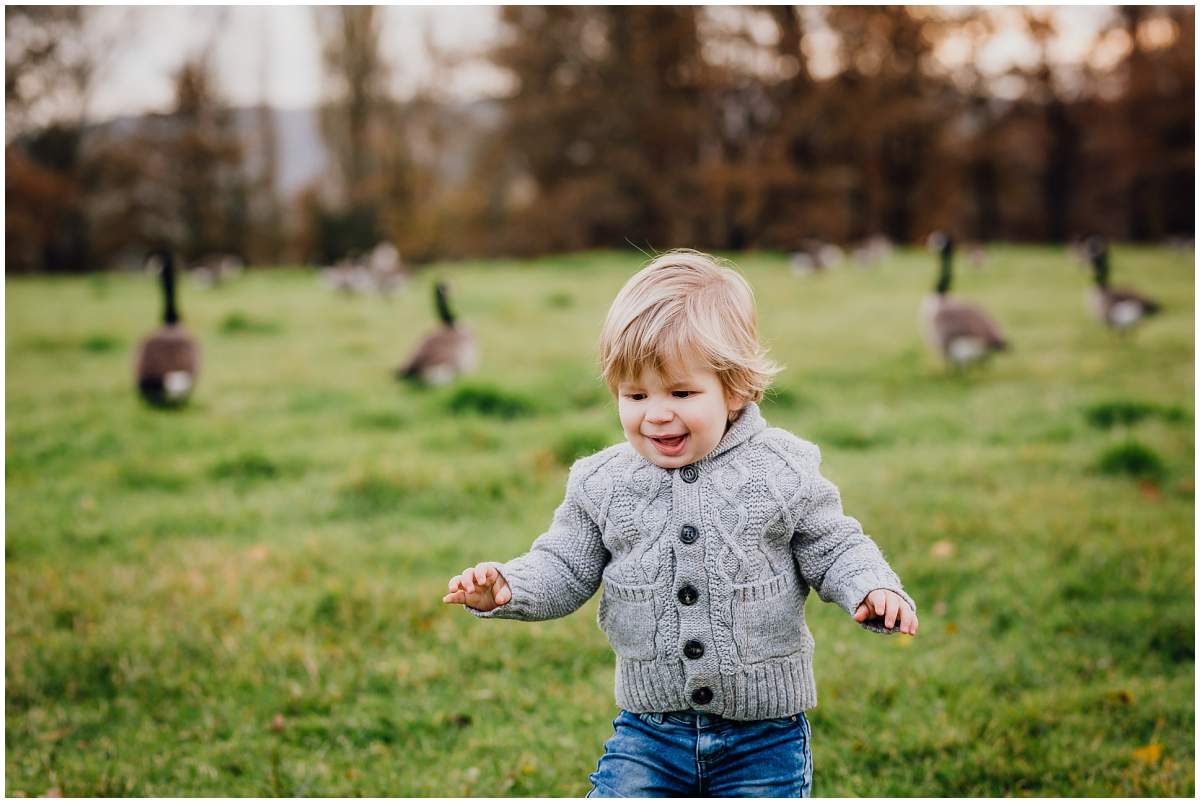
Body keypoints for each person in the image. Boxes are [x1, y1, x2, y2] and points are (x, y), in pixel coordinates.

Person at [442, 249, 918, 797]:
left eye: (681, 393)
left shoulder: (781, 469)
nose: (656, 413)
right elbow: (563, 566)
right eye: (635, 395)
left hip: (764, 740)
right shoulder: (602, 483)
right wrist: (508, 586)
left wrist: (872, 586)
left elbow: (834, 547)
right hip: (650, 736)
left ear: (734, 389)